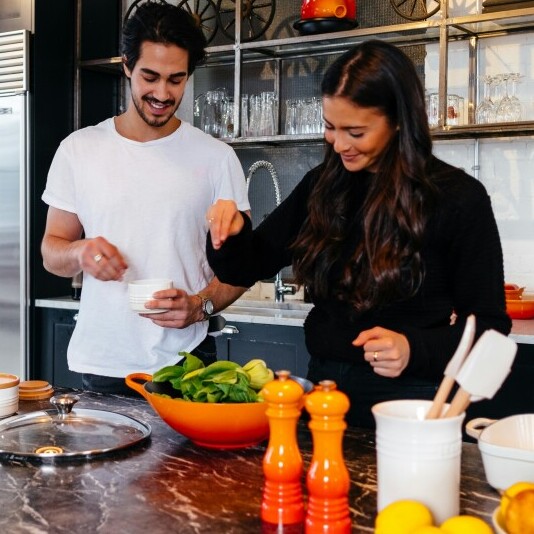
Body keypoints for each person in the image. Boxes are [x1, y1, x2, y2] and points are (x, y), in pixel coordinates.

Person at [205, 40, 511, 428]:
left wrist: (413, 348)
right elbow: (246, 266)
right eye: (330, 127)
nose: (340, 144)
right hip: (324, 395)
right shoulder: (322, 186)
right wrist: (229, 233)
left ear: (399, 120)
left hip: (412, 401)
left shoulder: (457, 199)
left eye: (356, 131)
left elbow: (489, 327)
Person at [41, 0, 249, 395]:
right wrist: (80, 253)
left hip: (186, 364)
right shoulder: (79, 149)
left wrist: (200, 305)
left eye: (176, 79)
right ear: (126, 66)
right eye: (149, 77)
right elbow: (52, 252)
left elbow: (243, 265)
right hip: (101, 363)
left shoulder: (216, 157)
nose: (162, 93)